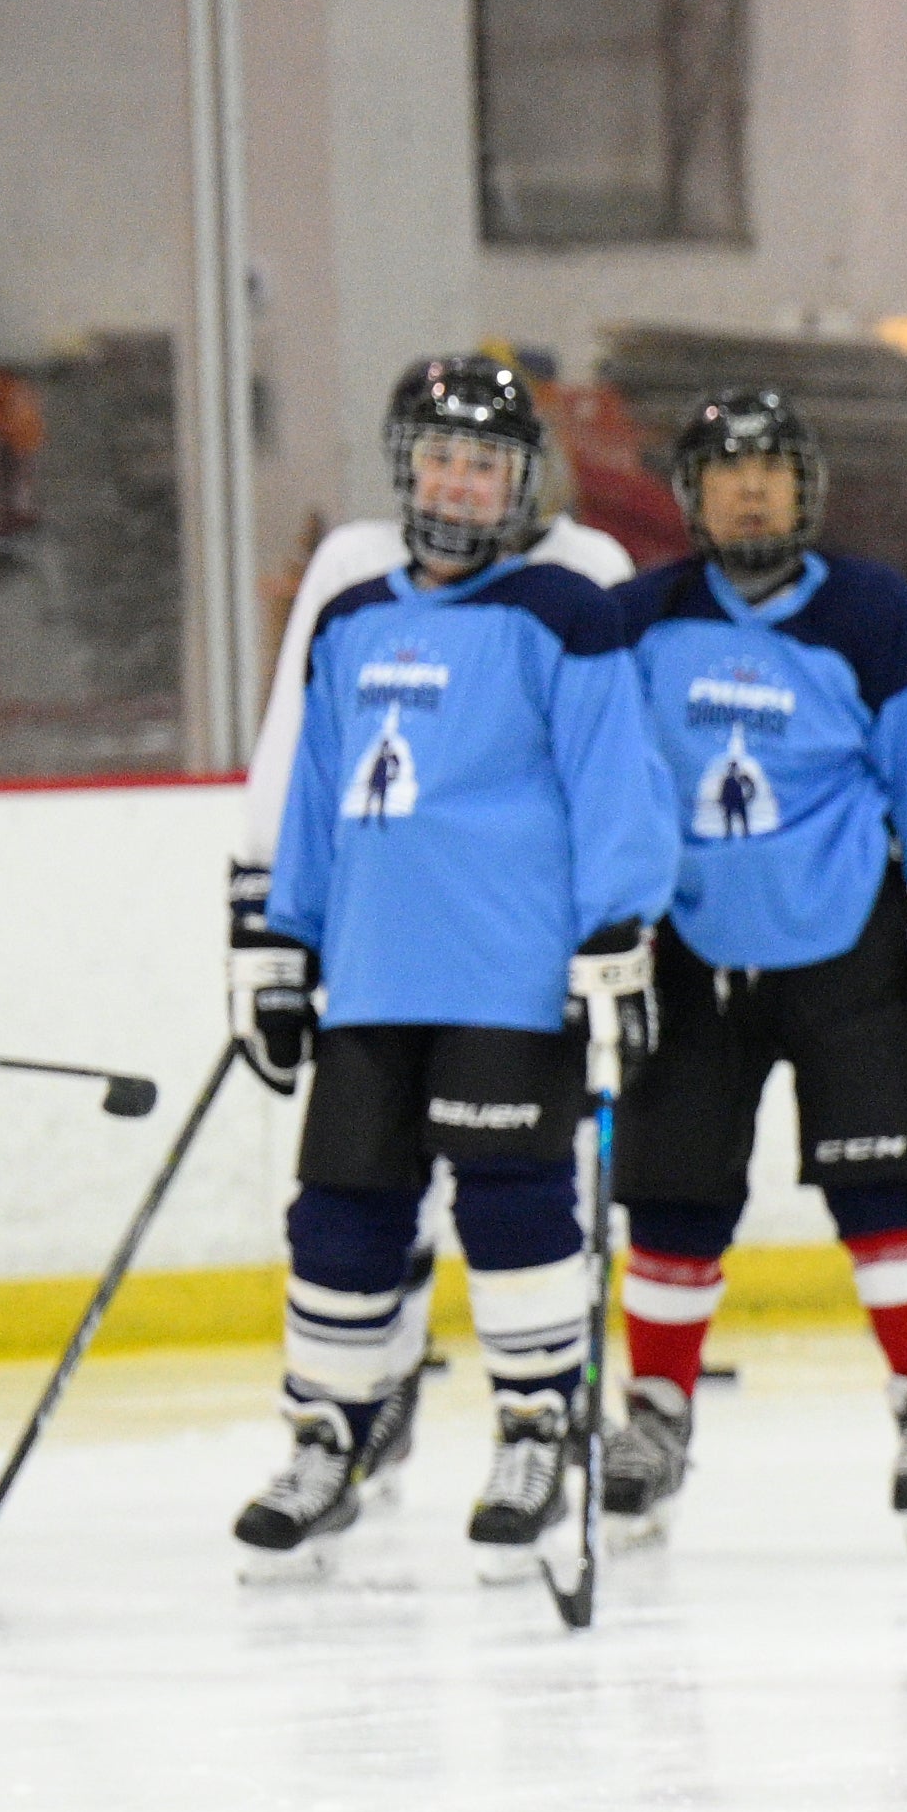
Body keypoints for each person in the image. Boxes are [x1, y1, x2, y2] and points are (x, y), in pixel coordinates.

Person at [228, 356, 675, 1573]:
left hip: (509, 978)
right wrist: (278, 941)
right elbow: (313, 794)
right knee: (339, 1214)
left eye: (487, 464)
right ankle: (329, 1437)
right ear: (405, 470)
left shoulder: (564, 611)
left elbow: (616, 784)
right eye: (442, 458)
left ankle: (539, 1428)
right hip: (372, 979)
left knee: (515, 1206)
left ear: (521, 482)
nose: (463, 483)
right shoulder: (352, 615)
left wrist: (614, 933)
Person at [601, 388, 907, 1554]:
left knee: (889, 1199)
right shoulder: (641, 617)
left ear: (805, 490)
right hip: (688, 955)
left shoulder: (870, 612)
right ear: (690, 496)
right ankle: (658, 1418)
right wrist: (601, 923)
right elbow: (606, 772)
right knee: (673, 1203)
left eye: (771, 470)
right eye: (726, 472)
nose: (749, 490)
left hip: (849, 949)